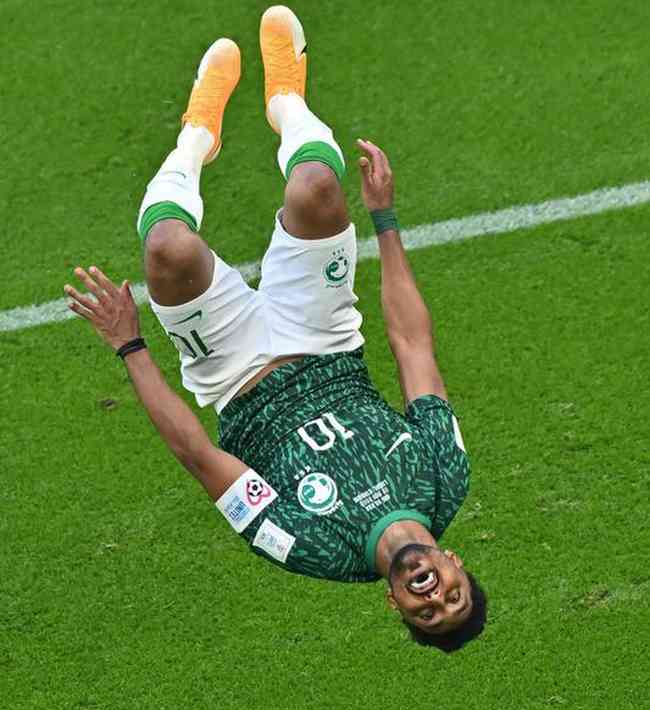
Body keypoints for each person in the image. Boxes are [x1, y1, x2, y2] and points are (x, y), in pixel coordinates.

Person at [65, 5, 487, 651]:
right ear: (455, 561)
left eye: (425, 612)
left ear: (394, 602)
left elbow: (200, 456)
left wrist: (130, 343)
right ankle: (286, 93)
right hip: (325, 339)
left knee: (168, 253)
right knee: (318, 185)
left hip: (234, 374)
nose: (434, 596)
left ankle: (197, 132)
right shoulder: (443, 475)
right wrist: (386, 219)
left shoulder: (306, 547)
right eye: (452, 594)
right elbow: (412, 346)